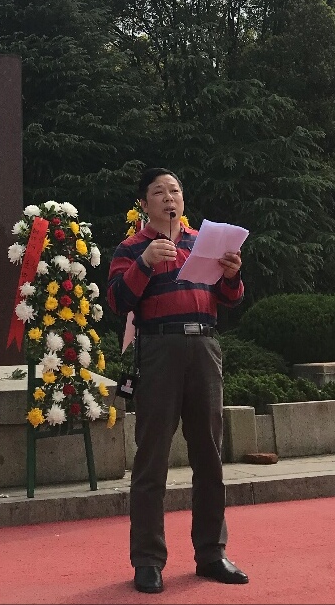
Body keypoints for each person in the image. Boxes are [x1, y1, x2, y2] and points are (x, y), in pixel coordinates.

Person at [106, 168, 248, 594]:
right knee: (151, 458)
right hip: (158, 350)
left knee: (209, 455)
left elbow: (230, 298)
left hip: (204, 346)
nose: (169, 198)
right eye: (159, 192)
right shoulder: (132, 248)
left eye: (175, 191)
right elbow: (117, 301)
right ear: (144, 203)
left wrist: (232, 275)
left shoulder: (202, 243)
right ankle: (148, 560)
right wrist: (144, 265)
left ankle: (211, 553)